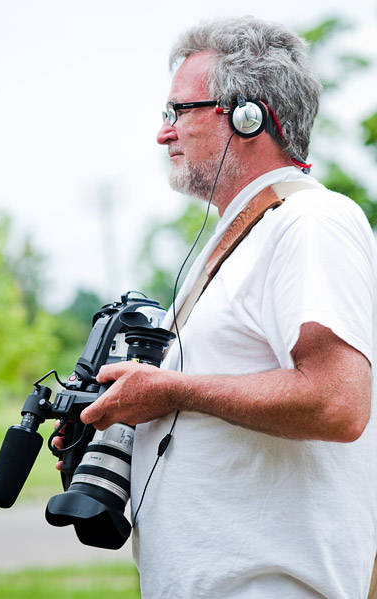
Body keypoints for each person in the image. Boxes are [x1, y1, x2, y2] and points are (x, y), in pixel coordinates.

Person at [78, 17, 377, 597]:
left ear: (248, 114)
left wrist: (172, 391)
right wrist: (122, 415)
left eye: (177, 112)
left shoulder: (311, 221)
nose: (163, 134)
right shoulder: (236, 241)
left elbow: (338, 401)